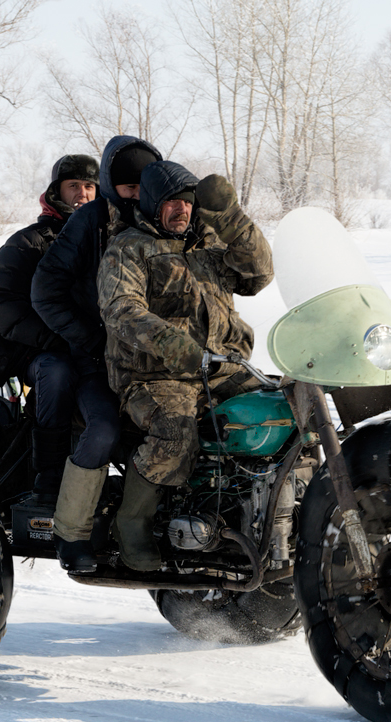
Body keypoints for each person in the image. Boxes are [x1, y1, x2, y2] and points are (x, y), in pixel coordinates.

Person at [96, 160, 273, 572]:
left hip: (223, 366)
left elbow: (257, 274)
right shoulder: (129, 248)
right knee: (175, 432)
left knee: (284, 411)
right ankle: (131, 523)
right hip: (155, 374)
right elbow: (121, 310)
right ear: (154, 204)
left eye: (188, 203)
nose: (183, 210)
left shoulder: (207, 244)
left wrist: (230, 218)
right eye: (172, 203)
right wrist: (176, 346)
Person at [31, 135, 162, 570]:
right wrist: (90, 341)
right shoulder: (89, 221)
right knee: (103, 430)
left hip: (157, 362)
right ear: (110, 186)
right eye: (129, 189)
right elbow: (45, 291)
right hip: (98, 362)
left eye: (145, 187)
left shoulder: (165, 215)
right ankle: (71, 532)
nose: (139, 197)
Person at [0, 153, 99, 499]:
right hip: (40, 352)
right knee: (56, 372)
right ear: (56, 190)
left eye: (90, 186)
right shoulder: (30, 241)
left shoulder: (108, 238)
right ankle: (49, 474)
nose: (82, 194)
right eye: (73, 185)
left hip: (93, 345)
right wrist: (51, 338)